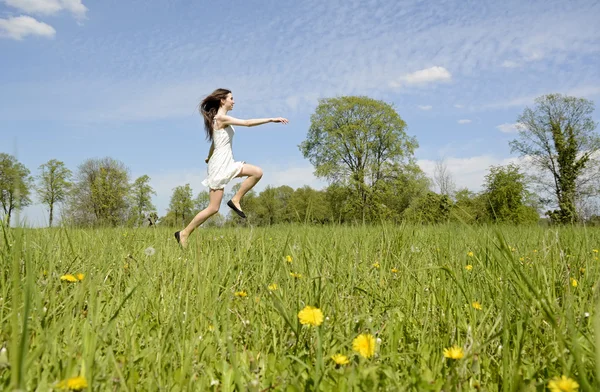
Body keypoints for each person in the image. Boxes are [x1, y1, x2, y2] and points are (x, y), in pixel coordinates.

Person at [174, 88, 288, 247]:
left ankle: (235, 199)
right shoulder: (221, 118)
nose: (234, 101)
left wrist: (209, 156)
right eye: (231, 98)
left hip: (225, 161)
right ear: (223, 100)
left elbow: (215, 142)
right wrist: (271, 119)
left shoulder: (218, 119)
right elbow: (247, 123)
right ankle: (184, 233)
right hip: (221, 164)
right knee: (213, 208)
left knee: (257, 172)